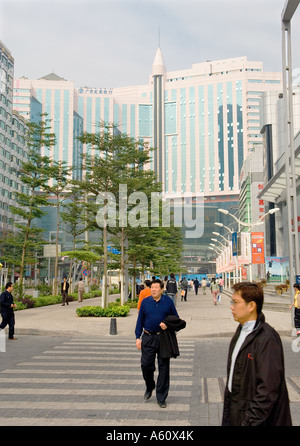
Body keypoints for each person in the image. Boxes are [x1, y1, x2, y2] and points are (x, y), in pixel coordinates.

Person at [222, 282, 292, 426]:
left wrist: (249, 421)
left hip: (255, 419)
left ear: (251, 306)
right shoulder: (240, 331)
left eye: (235, 302)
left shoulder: (267, 338)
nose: (231, 306)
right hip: (236, 410)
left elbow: (267, 390)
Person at [135, 279, 182, 408]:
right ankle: (150, 386)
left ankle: (161, 397)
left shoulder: (168, 302)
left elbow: (176, 318)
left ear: (162, 289)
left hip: (163, 338)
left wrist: (167, 325)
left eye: (156, 287)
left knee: (164, 367)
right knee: (146, 365)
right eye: (152, 287)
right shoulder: (145, 302)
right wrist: (137, 337)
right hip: (148, 337)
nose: (154, 289)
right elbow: (140, 320)